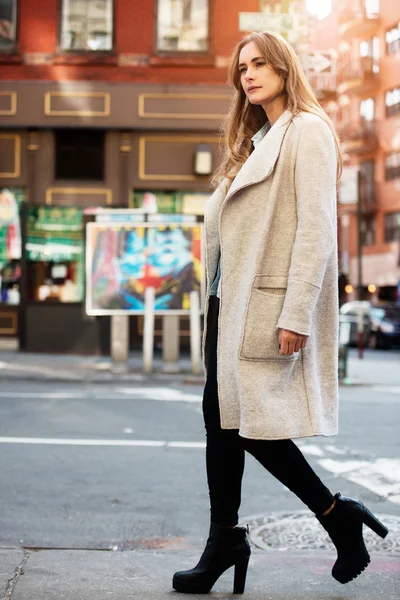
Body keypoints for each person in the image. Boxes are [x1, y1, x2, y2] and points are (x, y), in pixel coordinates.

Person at [172, 31, 389, 595]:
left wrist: (295, 312)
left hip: (265, 307)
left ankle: (334, 512)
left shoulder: (308, 131)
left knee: (254, 425)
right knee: (221, 424)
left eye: (259, 63)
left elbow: (316, 230)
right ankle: (225, 539)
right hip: (228, 303)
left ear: (285, 67)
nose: (248, 74)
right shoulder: (256, 139)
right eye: (241, 67)